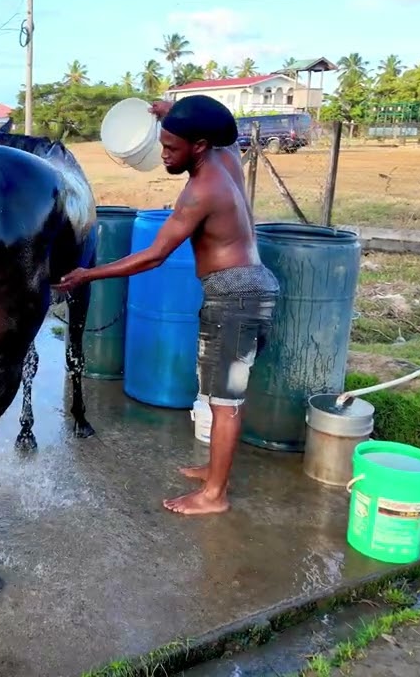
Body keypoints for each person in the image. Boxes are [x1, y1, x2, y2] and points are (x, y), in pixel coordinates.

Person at [55, 95, 280, 516]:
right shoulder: (224, 158)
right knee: (220, 392)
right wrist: (168, 113)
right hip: (249, 288)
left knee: (225, 401)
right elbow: (221, 130)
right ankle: (214, 471)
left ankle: (215, 495)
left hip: (235, 297)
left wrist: (87, 275)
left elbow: (154, 255)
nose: (164, 156)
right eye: (162, 144)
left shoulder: (201, 190)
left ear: (198, 145)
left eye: (171, 148)